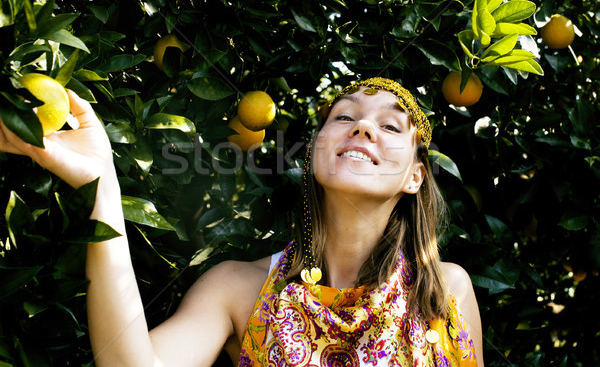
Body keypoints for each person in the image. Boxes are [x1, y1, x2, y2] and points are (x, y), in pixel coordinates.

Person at [0, 77, 484, 367]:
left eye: (391, 125)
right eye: (343, 117)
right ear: (314, 151)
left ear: (416, 176)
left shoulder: (445, 292)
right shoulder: (240, 289)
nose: (362, 127)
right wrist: (101, 184)